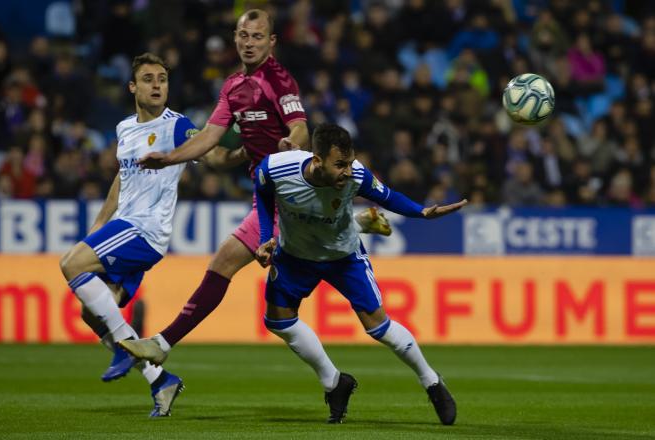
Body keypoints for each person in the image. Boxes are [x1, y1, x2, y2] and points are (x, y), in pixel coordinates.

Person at [120, 9, 390, 364]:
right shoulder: (232, 87)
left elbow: (299, 126)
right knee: (229, 268)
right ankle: (356, 224)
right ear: (235, 38)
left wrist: (291, 144)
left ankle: (162, 344)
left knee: (253, 284)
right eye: (244, 36)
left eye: (257, 37)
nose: (249, 43)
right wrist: (172, 158)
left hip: (291, 196)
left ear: (271, 41)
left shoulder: (279, 80)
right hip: (268, 199)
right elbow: (209, 138)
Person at [251, 124, 466, 424]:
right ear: (317, 160)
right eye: (339, 164)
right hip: (295, 256)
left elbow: (388, 197)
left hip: (343, 256)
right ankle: (334, 382)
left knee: (378, 327)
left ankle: (431, 381)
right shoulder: (276, 168)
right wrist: (265, 236)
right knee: (277, 320)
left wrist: (422, 212)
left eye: (350, 162)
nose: (347, 171)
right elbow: (262, 191)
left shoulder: (358, 176)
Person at [59, 53, 197, 417]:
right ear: (133, 87)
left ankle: (124, 346)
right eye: (149, 79)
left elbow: (209, 149)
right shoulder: (124, 129)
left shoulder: (178, 126)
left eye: (163, 79)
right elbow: (121, 180)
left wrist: (237, 146)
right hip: (123, 227)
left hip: (145, 229)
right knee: (94, 312)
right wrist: (99, 227)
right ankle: (160, 380)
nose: (157, 85)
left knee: (70, 264)